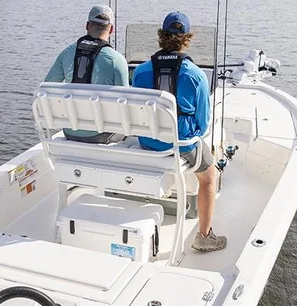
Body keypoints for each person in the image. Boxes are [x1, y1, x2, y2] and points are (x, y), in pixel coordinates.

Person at [131, 12, 227, 253]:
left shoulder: (141, 72)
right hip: (181, 145)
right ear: (187, 39)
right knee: (209, 176)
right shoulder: (196, 75)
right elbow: (203, 125)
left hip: (147, 142)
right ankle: (204, 236)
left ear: (161, 37)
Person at [44, 5, 130, 144]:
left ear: (87, 25)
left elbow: (47, 88)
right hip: (101, 135)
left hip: (69, 131)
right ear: (112, 29)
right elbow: (125, 104)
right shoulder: (117, 59)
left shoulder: (66, 53)